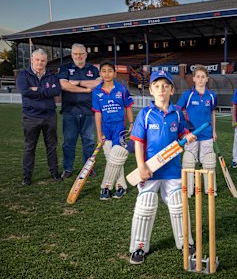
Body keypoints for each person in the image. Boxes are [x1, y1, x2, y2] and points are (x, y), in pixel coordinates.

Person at [128, 70, 197, 265]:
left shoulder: (177, 113)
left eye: (165, 86)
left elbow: (182, 134)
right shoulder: (145, 113)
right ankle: (139, 247)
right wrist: (141, 167)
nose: (161, 89)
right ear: (150, 90)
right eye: (157, 86)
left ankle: (185, 242)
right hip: (150, 170)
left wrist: (187, 137)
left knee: (178, 204)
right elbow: (139, 142)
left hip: (172, 169)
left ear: (171, 90)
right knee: (146, 205)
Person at [17, 49, 62, 186]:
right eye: (37, 60)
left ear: (46, 62)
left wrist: (36, 89)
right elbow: (25, 92)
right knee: (30, 148)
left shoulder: (51, 75)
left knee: (52, 147)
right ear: (32, 60)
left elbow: (56, 91)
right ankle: (27, 177)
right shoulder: (24, 75)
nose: (39, 63)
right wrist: (45, 92)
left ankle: (54, 173)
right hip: (31, 117)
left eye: (42, 60)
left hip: (49, 116)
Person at [92, 61, 134, 200]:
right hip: (105, 129)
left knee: (116, 159)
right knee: (111, 159)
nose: (107, 73)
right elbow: (97, 113)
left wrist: (131, 123)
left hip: (119, 128)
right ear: (100, 73)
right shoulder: (97, 91)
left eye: (110, 71)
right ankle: (120, 186)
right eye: (103, 71)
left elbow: (128, 107)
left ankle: (109, 187)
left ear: (115, 73)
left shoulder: (121, 89)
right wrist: (99, 133)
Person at [58, 43, 101, 179]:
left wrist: (76, 82)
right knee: (69, 142)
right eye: (75, 54)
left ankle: (87, 168)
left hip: (89, 111)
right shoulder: (65, 68)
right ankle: (68, 168)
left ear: (86, 54)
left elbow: (98, 83)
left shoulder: (93, 69)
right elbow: (64, 86)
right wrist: (86, 89)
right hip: (70, 111)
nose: (78, 56)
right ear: (72, 55)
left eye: (81, 53)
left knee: (89, 142)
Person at [177, 65, 217, 197]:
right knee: (189, 160)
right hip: (191, 135)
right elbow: (178, 111)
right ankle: (188, 190)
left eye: (203, 77)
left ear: (207, 79)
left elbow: (212, 114)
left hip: (206, 134)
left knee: (208, 161)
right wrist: (184, 130)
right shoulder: (188, 95)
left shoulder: (211, 96)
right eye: (198, 76)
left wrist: (214, 131)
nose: (200, 79)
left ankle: (210, 189)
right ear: (193, 78)